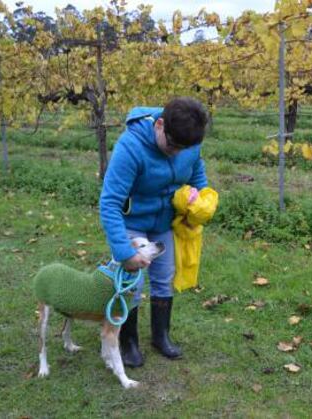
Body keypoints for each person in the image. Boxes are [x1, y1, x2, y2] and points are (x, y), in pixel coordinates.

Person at [99, 96, 209, 367]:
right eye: (172, 146)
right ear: (159, 125)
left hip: (164, 223)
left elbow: (197, 177)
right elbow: (109, 203)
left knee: (164, 278)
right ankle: (128, 342)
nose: (176, 153)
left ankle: (161, 336)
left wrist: (202, 201)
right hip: (132, 222)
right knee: (132, 285)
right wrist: (124, 252)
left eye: (184, 148)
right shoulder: (131, 147)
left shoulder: (187, 145)